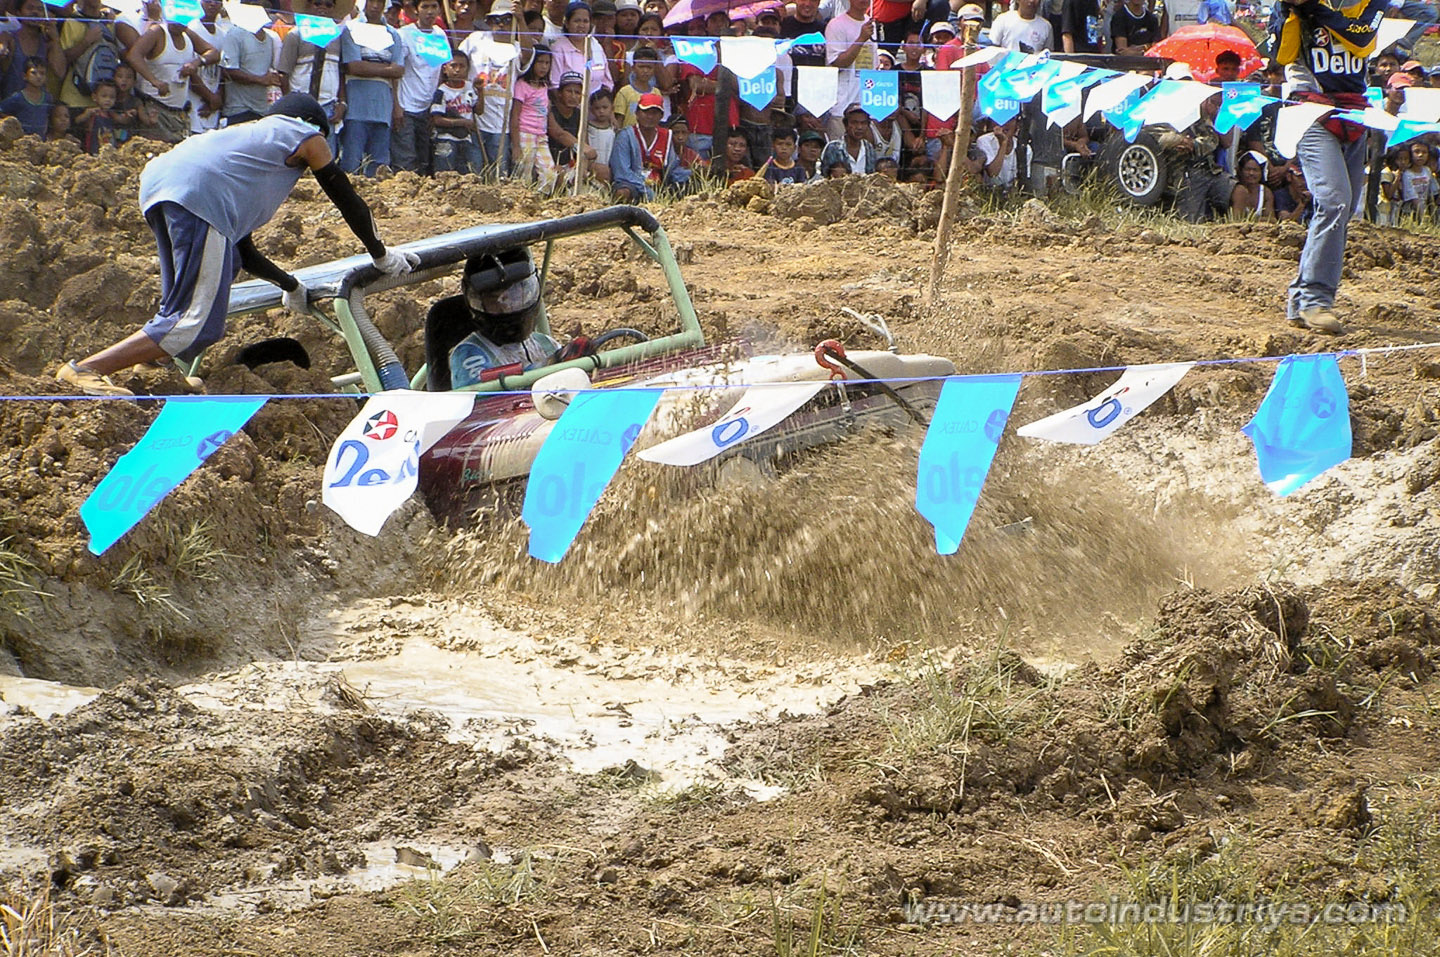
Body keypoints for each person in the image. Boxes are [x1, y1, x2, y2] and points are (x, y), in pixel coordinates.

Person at [55, 94, 419, 397]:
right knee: (192, 322)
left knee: (208, 276)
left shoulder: (247, 149)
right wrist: (381, 254)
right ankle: (86, 368)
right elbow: (346, 197)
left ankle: (153, 365)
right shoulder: (306, 135)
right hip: (198, 193)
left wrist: (289, 284)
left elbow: (241, 250)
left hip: (162, 186)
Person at [1269, 0, 1388, 334]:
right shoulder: (1288, 7)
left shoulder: (1371, 3)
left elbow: (1361, 38)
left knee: (1344, 208)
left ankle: (1300, 300)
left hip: (1354, 112)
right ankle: (1315, 300)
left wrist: (1313, 9)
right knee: (1334, 202)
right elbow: (1281, 54)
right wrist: (1293, 11)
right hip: (1309, 111)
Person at [440, 248, 560, 390]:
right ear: (477, 302)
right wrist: (548, 365)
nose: (507, 306)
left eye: (516, 295)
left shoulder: (545, 344)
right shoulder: (468, 354)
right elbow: (481, 396)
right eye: (494, 299)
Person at [124, 14, 219, 143]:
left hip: (179, 112)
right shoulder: (157, 32)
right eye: (174, 21)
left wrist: (196, 62)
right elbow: (133, 56)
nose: (177, 25)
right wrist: (154, 81)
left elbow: (214, 53)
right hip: (155, 107)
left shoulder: (188, 35)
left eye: (182, 22)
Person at [340, 0, 405, 174]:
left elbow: (399, 70)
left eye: (380, 2)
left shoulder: (392, 33)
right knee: (352, 163)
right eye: (372, 1)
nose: (376, 6)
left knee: (379, 167)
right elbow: (354, 67)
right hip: (356, 106)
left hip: (383, 107)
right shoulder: (350, 29)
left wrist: (396, 105)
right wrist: (387, 69)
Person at [278, 0, 346, 149]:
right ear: (308, 6)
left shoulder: (338, 37)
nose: (322, 8)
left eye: (328, 5)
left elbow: (341, 72)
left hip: (328, 105)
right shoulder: (295, 34)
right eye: (317, 3)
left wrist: (342, 103)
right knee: (298, 151)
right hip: (300, 105)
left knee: (326, 152)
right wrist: (291, 105)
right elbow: (283, 74)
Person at [393, 0, 447, 174]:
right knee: (405, 160)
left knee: (424, 159)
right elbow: (396, 72)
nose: (430, 11)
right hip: (406, 106)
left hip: (428, 108)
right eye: (425, 7)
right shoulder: (404, 34)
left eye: (434, 7)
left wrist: (435, 107)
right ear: (416, 10)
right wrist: (397, 106)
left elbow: (441, 72)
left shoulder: (440, 35)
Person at [220, 4, 282, 125]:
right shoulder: (235, 34)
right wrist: (260, 80)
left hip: (262, 109)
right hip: (239, 109)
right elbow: (228, 71)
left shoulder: (270, 38)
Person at [824, 0, 875, 142]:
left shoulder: (871, 24)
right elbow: (839, 63)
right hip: (841, 107)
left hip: (867, 107)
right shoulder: (836, 25)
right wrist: (861, 39)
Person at [609, 89, 673, 199]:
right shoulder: (626, 136)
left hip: (658, 185)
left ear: (661, 115)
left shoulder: (666, 136)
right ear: (637, 113)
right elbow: (622, 172)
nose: (650, 116)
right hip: (631, 184)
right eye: (645, 112)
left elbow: (673, 168)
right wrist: (646, 190)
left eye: (654, 113)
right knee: (623, 193)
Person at [511, 43, 557, 189]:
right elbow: (515, 115)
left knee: (550, 174)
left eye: (547, 63)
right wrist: (516, 145)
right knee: (524, 176)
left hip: (541, 135)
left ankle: (539, 198)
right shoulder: (522, 85)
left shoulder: (544, 87)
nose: (544, 67)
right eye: (540, 62)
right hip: (525, 134)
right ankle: (523, 200)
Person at [431, 49, 481, 173]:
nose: (457, 70)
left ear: (467, 69)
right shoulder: (442, 91)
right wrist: (462, 122)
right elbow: (437, 120)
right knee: (445, 173)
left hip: (466, 138)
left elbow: (479, 110)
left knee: (471, 172)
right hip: (446, 138)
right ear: (445, 69)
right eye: (453, 66)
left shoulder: (469, 87)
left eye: (462, 66)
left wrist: (481, 92)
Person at [0, 56, 52, 136]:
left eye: (42, 73)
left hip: (40, 140)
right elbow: (2, 110)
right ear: (24, 76)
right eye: (33, 73)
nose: (38, 77)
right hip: (22, 139)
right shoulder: (18, 98)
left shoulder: (48, 98)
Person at [74, 76, 117, 152]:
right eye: (104, 96)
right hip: (93, 151)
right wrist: (86, 114)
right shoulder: (92, 112)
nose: (108, 100)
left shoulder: (112, 115)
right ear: (94, 97)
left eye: (112, 97)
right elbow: (77, 121)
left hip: (109, 151)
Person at [1230, 149, 1274, 218]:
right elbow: (1236, 218)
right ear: (1240, 171)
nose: (1251, 173)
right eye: (1247, 169)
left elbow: (1271, 219)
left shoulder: (1265, 192)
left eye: (1255, 170)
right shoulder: (1236, 190)